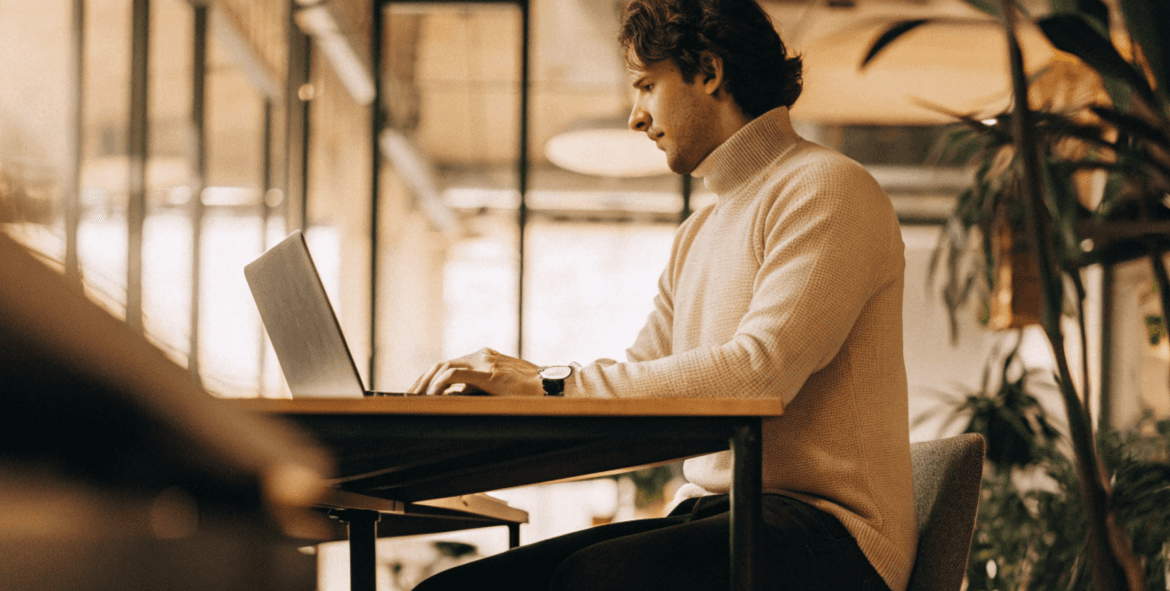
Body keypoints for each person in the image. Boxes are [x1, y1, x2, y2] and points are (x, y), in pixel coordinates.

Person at [409, 0, 917, 587]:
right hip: (720, 515)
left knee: (596, 579)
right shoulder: (698, 233)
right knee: (453, 588)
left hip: (832, 535)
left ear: (708, 69)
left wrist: (546, 381)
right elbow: (639, 390)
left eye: (646, 86)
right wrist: (495, 402)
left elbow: (757, 375)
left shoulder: (827, 188)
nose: (636, 117)